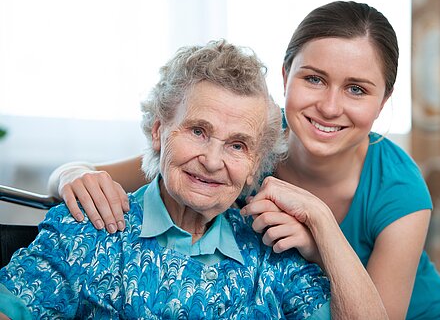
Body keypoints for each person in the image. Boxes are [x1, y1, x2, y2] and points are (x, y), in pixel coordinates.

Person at [47, 1, 440, 319]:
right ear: (285, 77)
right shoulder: (244, 137)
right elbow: (122, 168)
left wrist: (320, 227)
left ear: (383, 101)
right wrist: (70, 174)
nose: (330, 107)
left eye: (356, 89)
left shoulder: (399, 188)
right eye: (313, 79)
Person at [0, 40, 336, 319]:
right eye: (198, 131)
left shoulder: (272, 252)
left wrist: (322, 222)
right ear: (159, 131)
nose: (212, 161)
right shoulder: (90, 228)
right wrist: (70, 173)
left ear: (254, 164)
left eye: (237, 145)